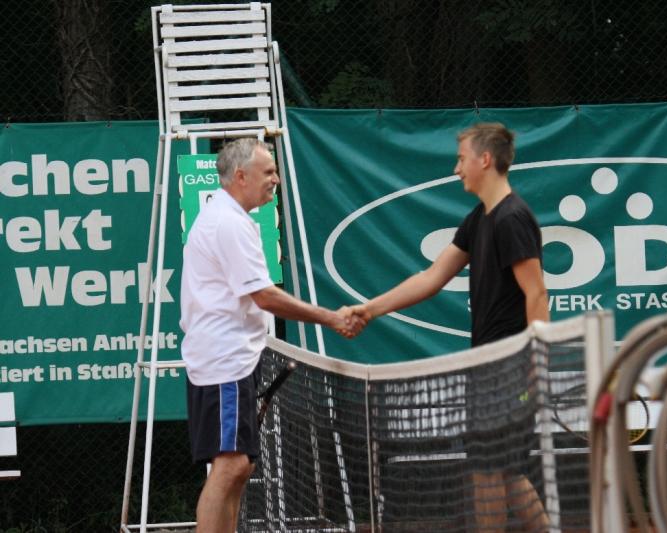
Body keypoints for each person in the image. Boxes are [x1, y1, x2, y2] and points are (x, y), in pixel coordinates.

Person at [350, 123, 549, 531]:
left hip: (508, 365)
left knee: (486, 471)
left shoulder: (512, 218)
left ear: (485, 160)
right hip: (489, 364)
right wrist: (370, 309)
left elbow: (536, 293)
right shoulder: (479, 219)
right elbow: (431, 277)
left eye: (461, 159)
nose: (456, 168)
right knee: (506, 469)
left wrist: (536, 358)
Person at [179, 138, 363, 533]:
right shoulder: (228, 223)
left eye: (275, 171)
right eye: (268, 172)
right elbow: (263, 296)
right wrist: (329, 318)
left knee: (239, 466)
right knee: (229, 467)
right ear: (241, 176)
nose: (275, 179)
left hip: (233, 359)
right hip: (223, 362)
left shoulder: (231, 218)